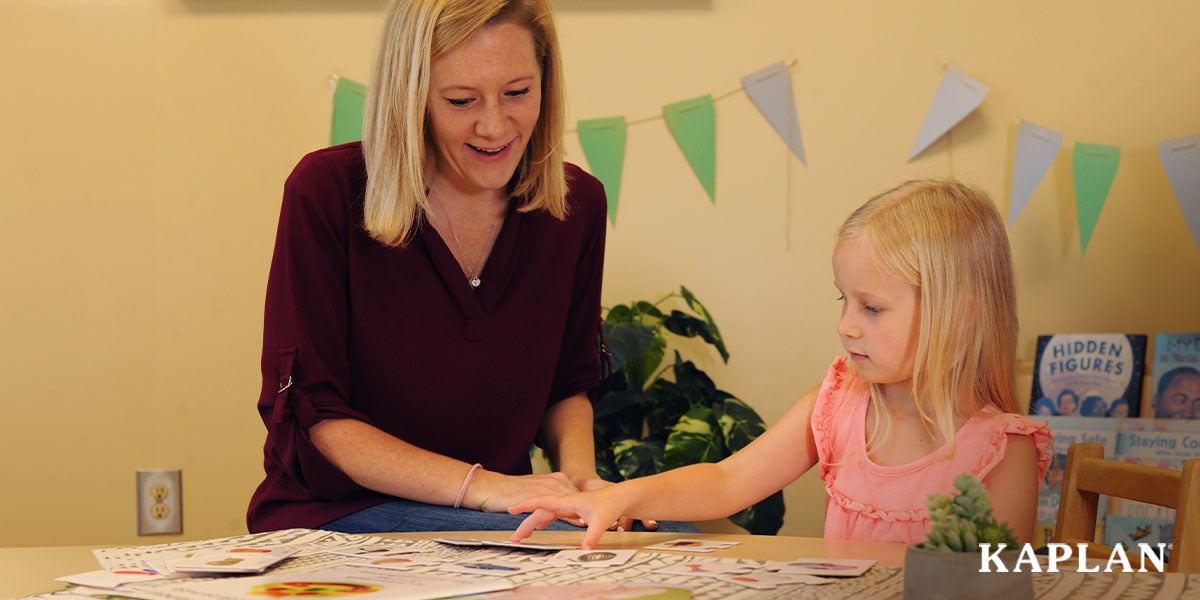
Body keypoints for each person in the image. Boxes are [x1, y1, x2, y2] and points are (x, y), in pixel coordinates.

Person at [247, 0, 687, 536]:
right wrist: (484, 487)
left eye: (518, 93)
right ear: (411, 100)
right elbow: (318, 417)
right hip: (339, 513)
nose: (495, 125)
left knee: (672, 542)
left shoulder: (577, 205)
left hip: (499, 509)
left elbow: (569, 382)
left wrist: (581, 482)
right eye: (461, 100)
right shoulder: (326, 192)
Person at [507, 179, 1053, 548]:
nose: (847, 325)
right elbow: (727, 481)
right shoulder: (837, 403)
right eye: (844, 300)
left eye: (872, 307)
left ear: (961, 311)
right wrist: (619, 497)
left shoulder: (1004, 451)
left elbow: (997, 583)